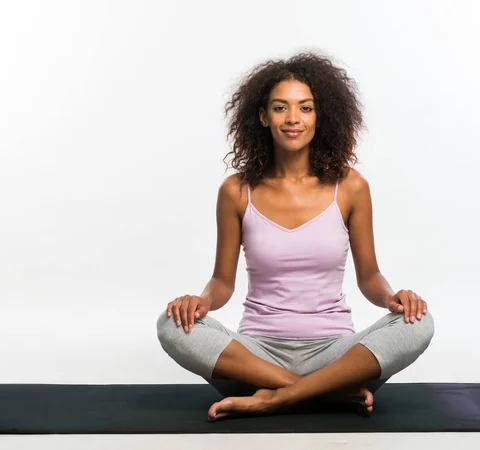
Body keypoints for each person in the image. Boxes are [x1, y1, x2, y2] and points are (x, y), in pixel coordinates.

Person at [156, 51, 435, 422]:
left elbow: (368, 276)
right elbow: (223, 282)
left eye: (305, 108)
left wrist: (392, 298)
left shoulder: (350, 187)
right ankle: (323, 395)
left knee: (420, 323)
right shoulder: (237, 191)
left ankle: (274, 399)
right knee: (171, 324)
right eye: (280, 108)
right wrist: (200, 302)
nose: (293, 119)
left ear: (321, 117)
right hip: (256, 357)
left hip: (336, 353)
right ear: (262, 116)